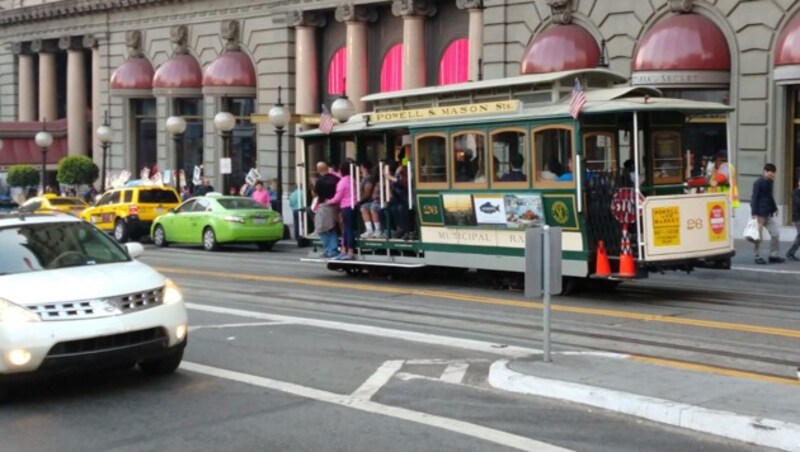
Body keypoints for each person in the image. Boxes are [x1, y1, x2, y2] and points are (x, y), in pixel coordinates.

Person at [750, 163, 784, 265]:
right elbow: (754, 198)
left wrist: (774, 208)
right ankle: (757, 256)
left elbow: (769, 196)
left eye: (773, 173)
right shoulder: (758, 183)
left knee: (775, 233)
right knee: (758, 237)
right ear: (765, 171)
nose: (772, 174)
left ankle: (773, 256)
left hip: (767, 213)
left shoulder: (770, 182)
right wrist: (754, 212)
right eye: (771, 172)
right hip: (760, 214)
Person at [326, 161, 355, 260]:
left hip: (345, 207)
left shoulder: (342, 183)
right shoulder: (352, 180)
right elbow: (341, 176)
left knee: (347, 229)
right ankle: (345, 250)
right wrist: (333, 172)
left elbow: (337, 198)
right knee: (348, 229)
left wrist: (328, 202)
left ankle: (349, 251)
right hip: (353, 206)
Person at [313, 162, 341, 258]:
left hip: (325, 206)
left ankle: (331, 250)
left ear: (319, 170)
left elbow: (315, 194)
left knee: (322, 229)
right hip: (337, 205)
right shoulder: (337, 179)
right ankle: (331, 250)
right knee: (331, 227)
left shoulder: (320, 181)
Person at [357, 160, 382, 238]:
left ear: (363, 168)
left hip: (375, 201)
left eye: (361, 168)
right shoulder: (364, 178)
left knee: (372, 208)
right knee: (364, 208)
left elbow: (367, 193)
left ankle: (378, 230)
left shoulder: (368, 178)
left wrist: (359, 201)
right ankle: (369, 230)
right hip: (369, 201)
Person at [786, 177, 800, 262]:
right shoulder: (795, 192)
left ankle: (790, 252)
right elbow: (798, 203)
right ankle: (790, 252)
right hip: (798, 217)